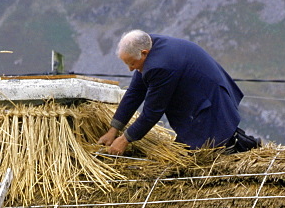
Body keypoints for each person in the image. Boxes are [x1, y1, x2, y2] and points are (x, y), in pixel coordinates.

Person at [98, 30, 261, 155]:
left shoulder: (159, 65)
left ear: (144, 53)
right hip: (198, 98)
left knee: (213, 149)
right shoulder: (147, 45)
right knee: (193, 148)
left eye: (132, 63)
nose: (131, 69)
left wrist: (125, 139)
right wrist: (113, 130)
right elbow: (134, 92)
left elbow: (152, 112)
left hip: (208, 102)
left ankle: (246, 145)